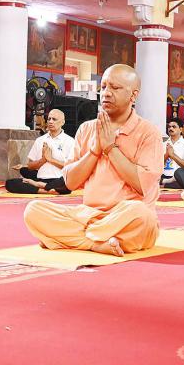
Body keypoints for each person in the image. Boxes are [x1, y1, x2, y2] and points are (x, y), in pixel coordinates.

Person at [23, 65, 164, 256]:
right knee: (34, 211)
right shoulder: (87, 129)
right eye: (104, 87)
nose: (106, 93)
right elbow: (71, 182)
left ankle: (74, 239)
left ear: (133, 95)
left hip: (125, 217)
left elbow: (141, 186)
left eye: (115, 88)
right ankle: (96, 242)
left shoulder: (148, 133)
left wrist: (110, 149)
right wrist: (95, 150)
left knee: (143, 216)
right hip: (88, 215)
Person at [6, 109, 75, 195]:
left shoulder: (70, 141)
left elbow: (72, 168)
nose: (50, 122)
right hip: (40, 178)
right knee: (10, 183)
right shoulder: (40, 140)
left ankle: (40, 186)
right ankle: (46, 190)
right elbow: (30, 166)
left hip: (58, 180)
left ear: (62, 122)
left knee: (66, 184)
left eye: (54, 119)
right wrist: (43, 160)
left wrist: (51, 159)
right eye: (49, 119)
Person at [162, 117, 184, 186]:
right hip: (163, 178)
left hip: (178, 179)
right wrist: (167, 155)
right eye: (169, 127)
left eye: (174, 127)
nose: (171, 128)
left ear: (181, 129)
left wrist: (172, 155)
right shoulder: (163, 144)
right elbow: (156, 165)